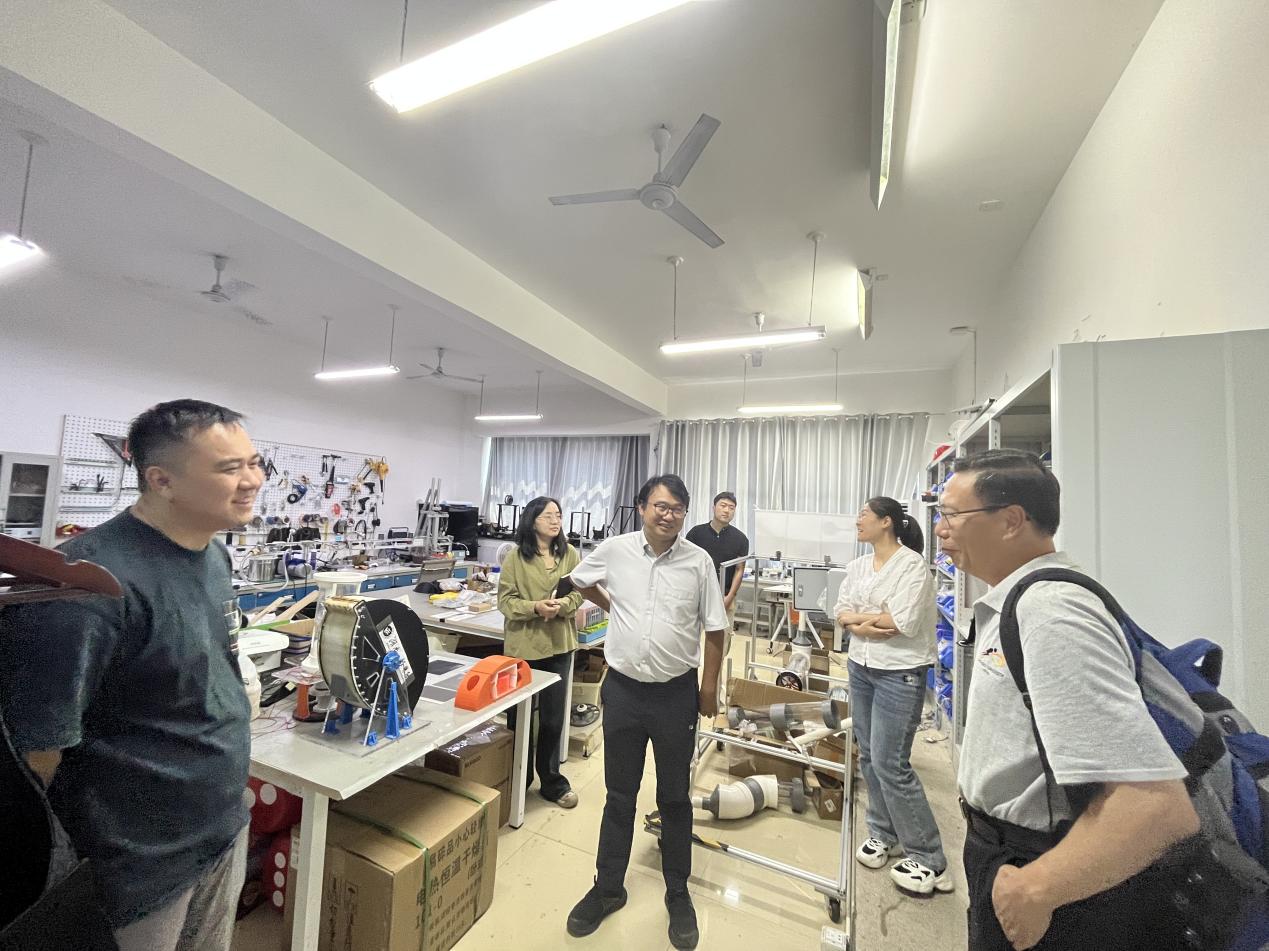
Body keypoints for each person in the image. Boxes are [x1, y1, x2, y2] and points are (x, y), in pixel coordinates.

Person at [0, 399, 263, 951]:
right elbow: (37, 756)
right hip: (134, 866)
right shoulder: (86, 588)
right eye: (229, 468)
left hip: (219, 827)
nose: (252, 481)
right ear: (161, 480)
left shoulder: (213, 557)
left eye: (254, 463)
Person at [937, 449, 1200, 950]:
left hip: (1043, 864)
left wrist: (1037, 888)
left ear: (1011, 521)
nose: (940, 529)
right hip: (1008, 848)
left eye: (952, 515)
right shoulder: (1019, 599)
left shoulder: (1052, 614)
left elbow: (1156, 806)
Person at [564, 474, 727, 951]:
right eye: (660, 506)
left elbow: (715, 630)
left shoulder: (699, 562)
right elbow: (579, 581)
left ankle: (678, 891)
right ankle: (608, 887)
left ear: (685, 514)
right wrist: (614, 605)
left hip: (676, 696)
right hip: (624, 694)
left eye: (677, 508)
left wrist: (709, 688)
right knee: (619, 794)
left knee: (675, 796)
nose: (668, 515)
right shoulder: (615, 550)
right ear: (642, 507)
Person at [834, 496, 951, 896]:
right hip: (861, 666)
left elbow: (903, 621)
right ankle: (883, 833)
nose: (858, 520)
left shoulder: (912, 565)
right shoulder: (858, 566)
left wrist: (858, 619)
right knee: (869, 756)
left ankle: (929, 857)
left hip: (899, 673)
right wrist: (864, 623)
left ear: (886, 522)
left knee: (891, 763)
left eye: (864, 514)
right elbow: (840, 610)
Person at [497, 496, 584, 809]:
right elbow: (505, 601)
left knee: (552, 719)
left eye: (558, 514)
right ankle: (517, 779)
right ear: (532, 520)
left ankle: (551, 781)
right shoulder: (515, 557)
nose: (555, 520)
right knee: (518, 718)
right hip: (524, 647)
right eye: (548, 515)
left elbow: (580, 592)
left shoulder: (569, 554)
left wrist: (562, 605)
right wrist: (535, 607)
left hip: (559, 644)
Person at [685, 490, 749, 659]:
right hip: (696, 595)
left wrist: (730, 597)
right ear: (714, 507)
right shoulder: (696, 533)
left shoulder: (741, 539)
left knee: (721, 643)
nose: (727, 510)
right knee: (688, 639)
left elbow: (739, 569)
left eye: (731, 508)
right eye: (723, 505)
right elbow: (686, 564)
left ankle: (716, 676)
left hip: (724, 596)